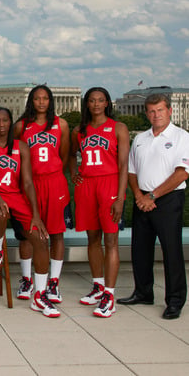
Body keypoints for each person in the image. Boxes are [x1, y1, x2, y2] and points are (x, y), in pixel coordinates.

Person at [0, 108, 56, 317]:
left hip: (16, 197)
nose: (1, 124)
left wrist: (36, 214)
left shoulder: (21, 147)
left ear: (11, 123)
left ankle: (40, 296)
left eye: (5, 120)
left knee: (41, 238)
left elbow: (29, 183)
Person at [117, 93, 189, 319]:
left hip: (168, 200)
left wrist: (153, 196)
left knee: (172, 251)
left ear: (168, 110)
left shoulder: (181, 137)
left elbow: (182, 173)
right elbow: (131, 171)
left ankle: (175, 300)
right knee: (141, 250)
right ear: (146, 113)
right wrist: (139, 195)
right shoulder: (141, 138)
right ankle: (143, 292)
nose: (156, 115)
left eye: (160, 110)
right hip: (142, 200)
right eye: (151, 111)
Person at [70, 87, 129, 318]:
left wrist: (121, 197)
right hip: (87, 186)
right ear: (87, 104)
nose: (96, 104)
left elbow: (124, 165)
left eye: (100, 100)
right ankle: (98, 285)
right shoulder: (79, 130)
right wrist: (74, 171)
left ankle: (110, 294)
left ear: (107, 103)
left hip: (109, 184)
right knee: (92, 238)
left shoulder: (119, 128)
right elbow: (70, 155)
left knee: (111, 240)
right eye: (92, 100)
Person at [14, 85, 70, 303]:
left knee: (57, 233)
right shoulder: (22, 126)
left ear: (50, 100)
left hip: (54, 182)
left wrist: (53, 173)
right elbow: (15, 156)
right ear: (31, 101)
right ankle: (27, 279)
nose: (41, 102)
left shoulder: (61, 124)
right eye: (37, 98)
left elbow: (65, 155)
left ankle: (53, 283)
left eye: (45, 98)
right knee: (30, 232)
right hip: (30, 183)